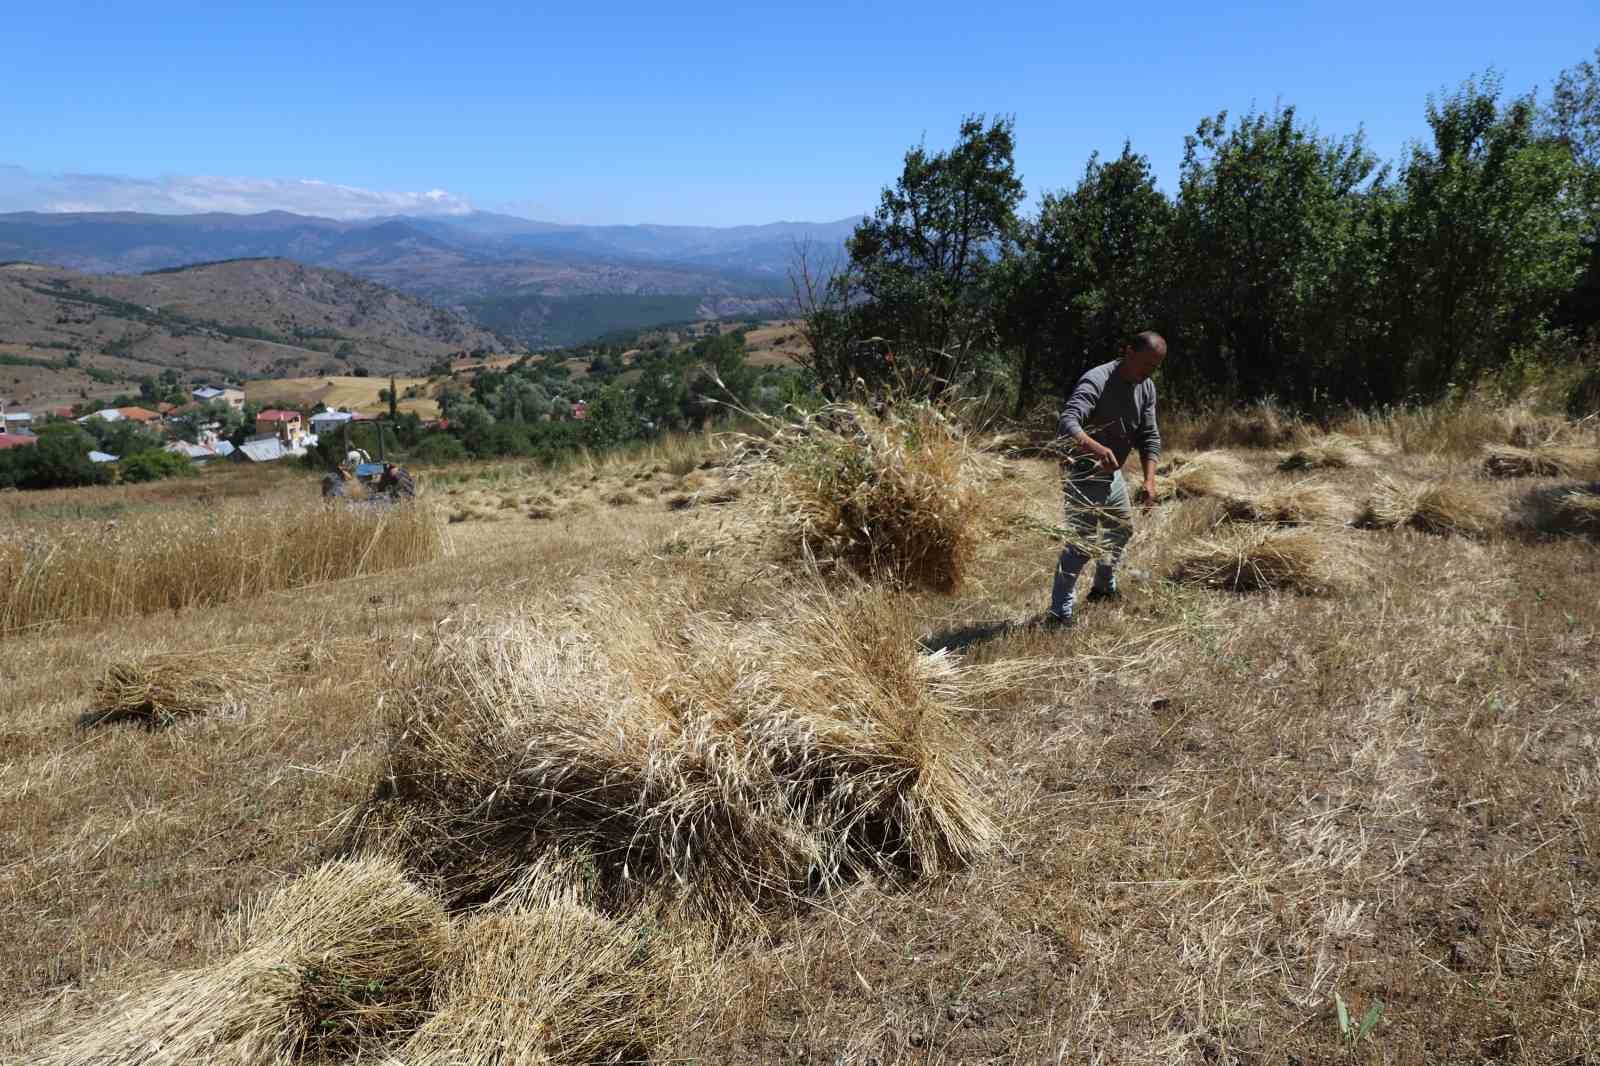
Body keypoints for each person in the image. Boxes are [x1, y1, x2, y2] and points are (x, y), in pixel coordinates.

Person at [1042, 331, 1167, 628]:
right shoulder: (1097, 379)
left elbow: (1149, 436)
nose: (1149, 372)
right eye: (1146, 364)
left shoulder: (1146, 387)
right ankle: (1060, 614)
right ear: (1128, 352)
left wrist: (1150, 481)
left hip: (1111, 474)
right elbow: (1068, 422)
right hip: (1083, 471)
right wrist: (1097, 448)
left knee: (1121, 529)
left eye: (1156, 366)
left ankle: (1102, 588)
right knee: (1080, 545)